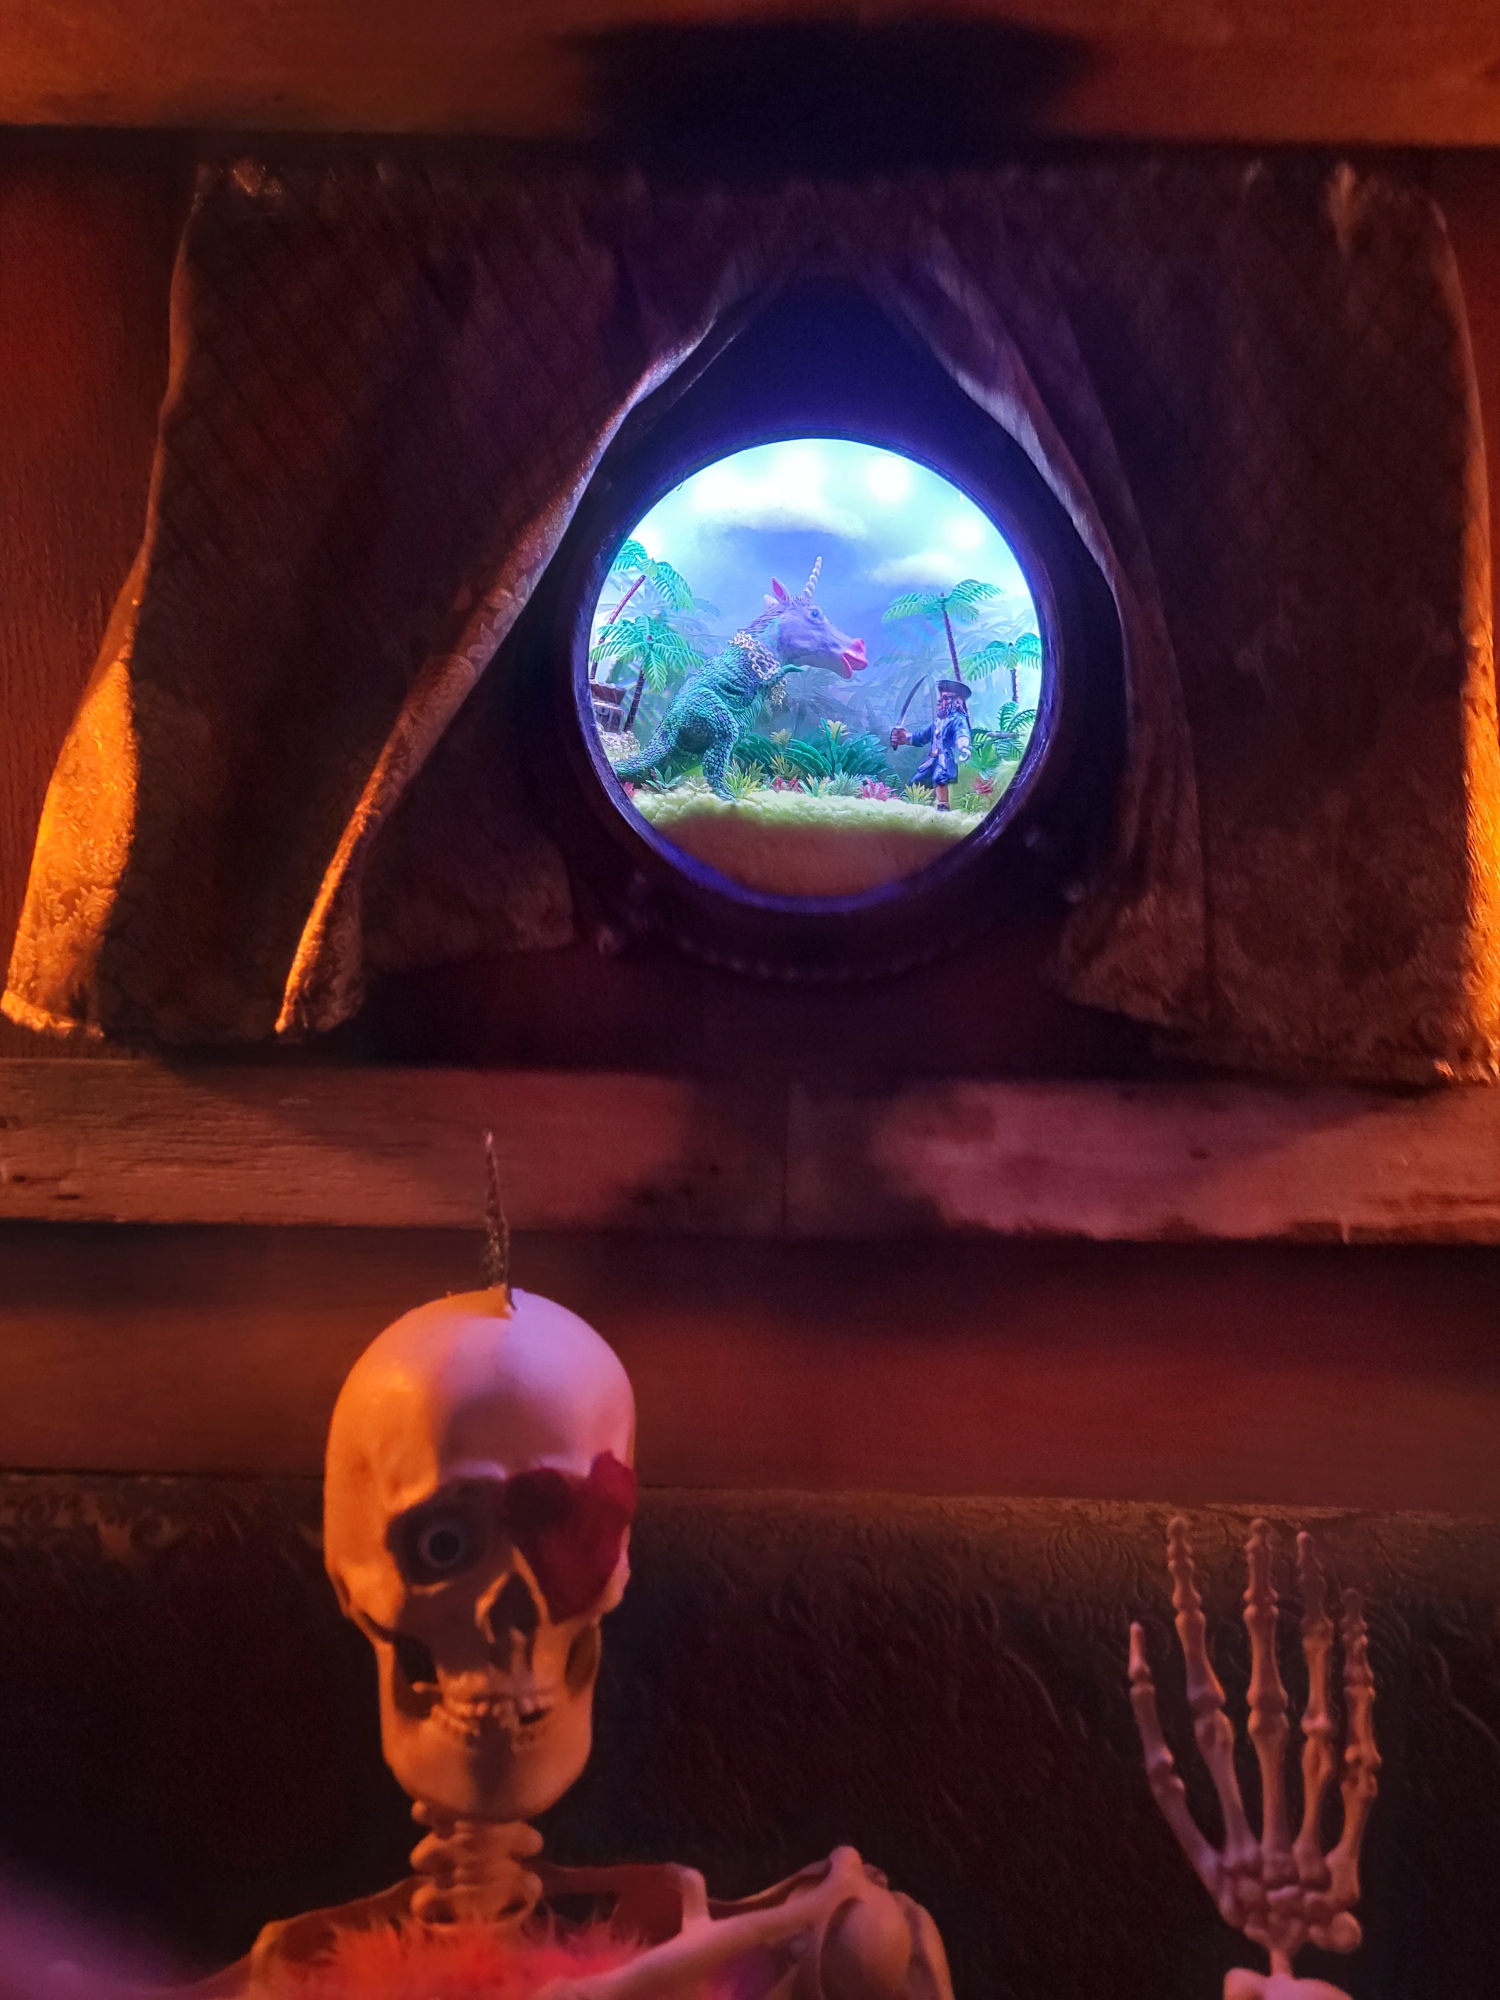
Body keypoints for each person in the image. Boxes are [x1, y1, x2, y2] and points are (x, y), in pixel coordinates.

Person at [889, 679, 972, 810]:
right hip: (932, 758)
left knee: (940, 778)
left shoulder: (958, 719)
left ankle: (943, 806)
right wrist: (904, 738)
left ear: (957, 700)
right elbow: (922, 737)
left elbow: (961, 733)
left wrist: (963, 747)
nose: (941, 701)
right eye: (941, 697)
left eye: (946, 698)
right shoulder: (938, 721)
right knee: (917, 780)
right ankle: (910, 804)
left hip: (944, 758)